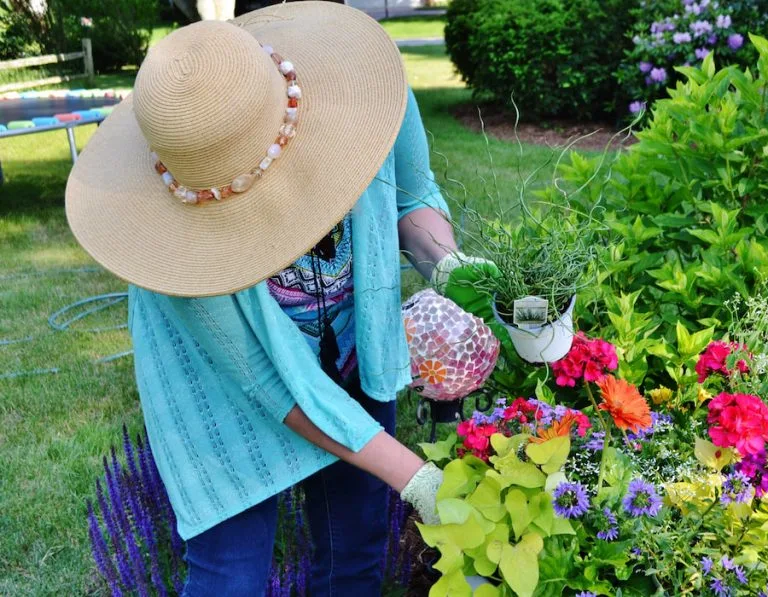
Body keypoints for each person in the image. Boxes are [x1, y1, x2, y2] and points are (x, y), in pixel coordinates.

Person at [65, 3, 492, 595]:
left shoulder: (366, 85)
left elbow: (411, 196)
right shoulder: (168, 247)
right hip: (222, 393)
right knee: (229, 577)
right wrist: (416, 477)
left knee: (356, 556)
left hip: (348, 354)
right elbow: (273, 382)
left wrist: (447, 264)